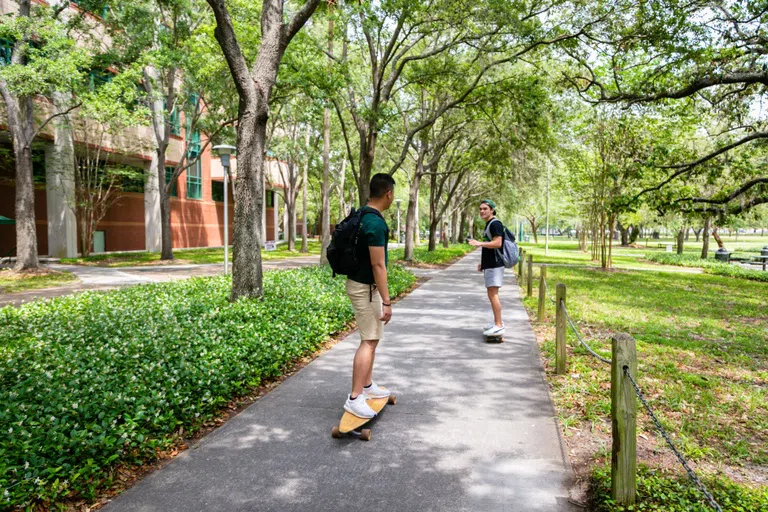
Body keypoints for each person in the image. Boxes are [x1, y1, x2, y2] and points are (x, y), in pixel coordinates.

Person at [343, 173, 396, 418]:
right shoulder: (375, 223)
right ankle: (354, 398)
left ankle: (367, 385)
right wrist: (387, 301)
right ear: (388, 193)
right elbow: (378, 266)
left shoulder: (362, 214)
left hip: (365, 286)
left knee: (372, 338)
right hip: (365, 288)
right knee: (368, 340)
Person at [468, 199, 505, 337]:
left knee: (493, 295)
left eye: (485, 209)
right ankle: (497, 322)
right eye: (480, 209)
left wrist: (479, 243)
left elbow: (497, 243)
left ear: (492, 210)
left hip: (495, 266)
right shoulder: (489, 224)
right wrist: (483, 263)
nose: (482, 211)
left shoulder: (495, 224)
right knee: (491, 294)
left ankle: (499, 325)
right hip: (490, 265)